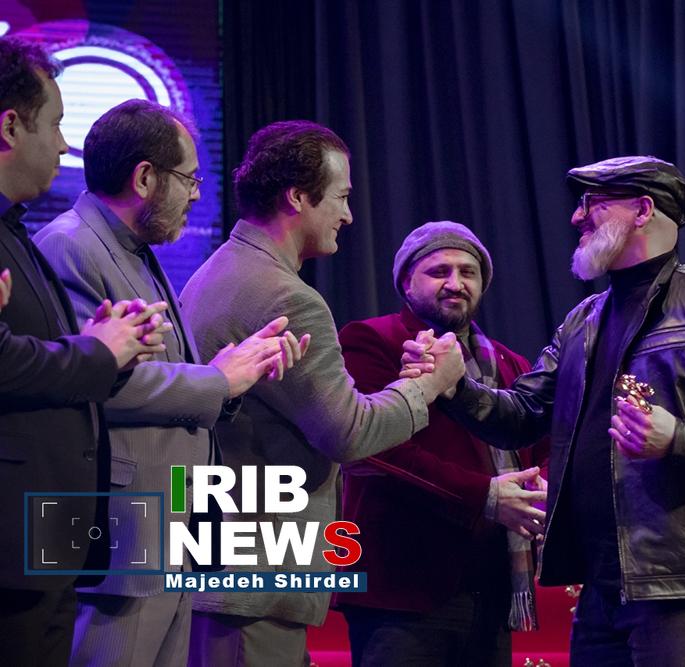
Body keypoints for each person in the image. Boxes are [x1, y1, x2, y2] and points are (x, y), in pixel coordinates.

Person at [405, 156, 685, 666]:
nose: (576, 216)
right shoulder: (583, 319)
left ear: (643, 210)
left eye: (593, 203)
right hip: (601, 578)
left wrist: (679, 436)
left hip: (675, 579)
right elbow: (522, 413)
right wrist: (454, 385)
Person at [33, 99, 307, 667]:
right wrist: (216, 381)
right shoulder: (70, 246)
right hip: (118, 534)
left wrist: (234, 371)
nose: (197, 195)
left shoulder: (133, 248)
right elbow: (89, 380)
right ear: (144, 178)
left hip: (165, 531)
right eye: (189, 179)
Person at [179, 121, 465, 666]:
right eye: (341, 197)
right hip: (253, 577)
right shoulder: (287, 297)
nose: (349, 215)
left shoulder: (219, 269)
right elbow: (348, 432)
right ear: (297, 198)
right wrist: (429, 383)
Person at [0, 36, 168, 666]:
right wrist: (98, 353)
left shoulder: (15, 230)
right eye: (56, 124)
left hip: (41, 543)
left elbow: (36, 353)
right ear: (10, 127)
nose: (64, 145)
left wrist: (106, 344)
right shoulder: (59, 237)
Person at [334, 221, 548, 666]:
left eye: (469, 272)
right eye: (439, 271)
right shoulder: (372, 340)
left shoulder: (509, 362)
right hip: (402, 589)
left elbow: (540, 446)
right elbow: (378, 450)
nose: (456, 283)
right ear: (405, 282)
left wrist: (539, 489)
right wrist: (486, 495)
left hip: (491, 587)